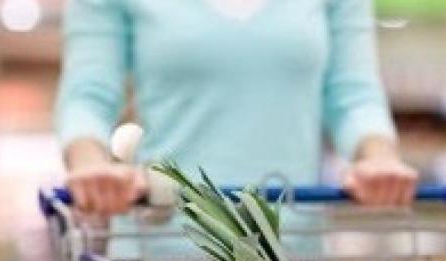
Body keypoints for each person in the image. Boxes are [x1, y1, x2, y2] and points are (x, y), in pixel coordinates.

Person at [56, 0, 418, 218]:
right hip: (164, 260)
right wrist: (92, 167)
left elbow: (353, 93)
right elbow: (88, 94)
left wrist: (379, 159)